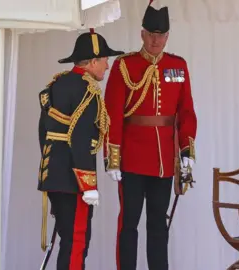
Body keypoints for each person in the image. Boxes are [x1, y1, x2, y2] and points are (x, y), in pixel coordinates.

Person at [103, 1, 197, 269]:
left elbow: (186, 111)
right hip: (131, 159)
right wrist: (113, 156)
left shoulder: (177, 66)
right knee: (129, 223)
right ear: (142, 33)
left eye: (161, 35)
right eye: (151, 34)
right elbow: (112, 113)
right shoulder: (125, 65)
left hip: (164, 162)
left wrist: (186, 151)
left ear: (167, 36)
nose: (156, 40)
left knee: (159, 224)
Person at [37, 29, 124, 270]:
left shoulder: (56, 83)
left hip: (52, 175)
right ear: (93, 61)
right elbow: (82, 137)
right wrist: (88, 185)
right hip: (74, 179)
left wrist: (51, 167)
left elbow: (44, 132)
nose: (107, 66)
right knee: (76, 241)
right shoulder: (89, 90)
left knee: (67, 240)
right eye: (105, 60)